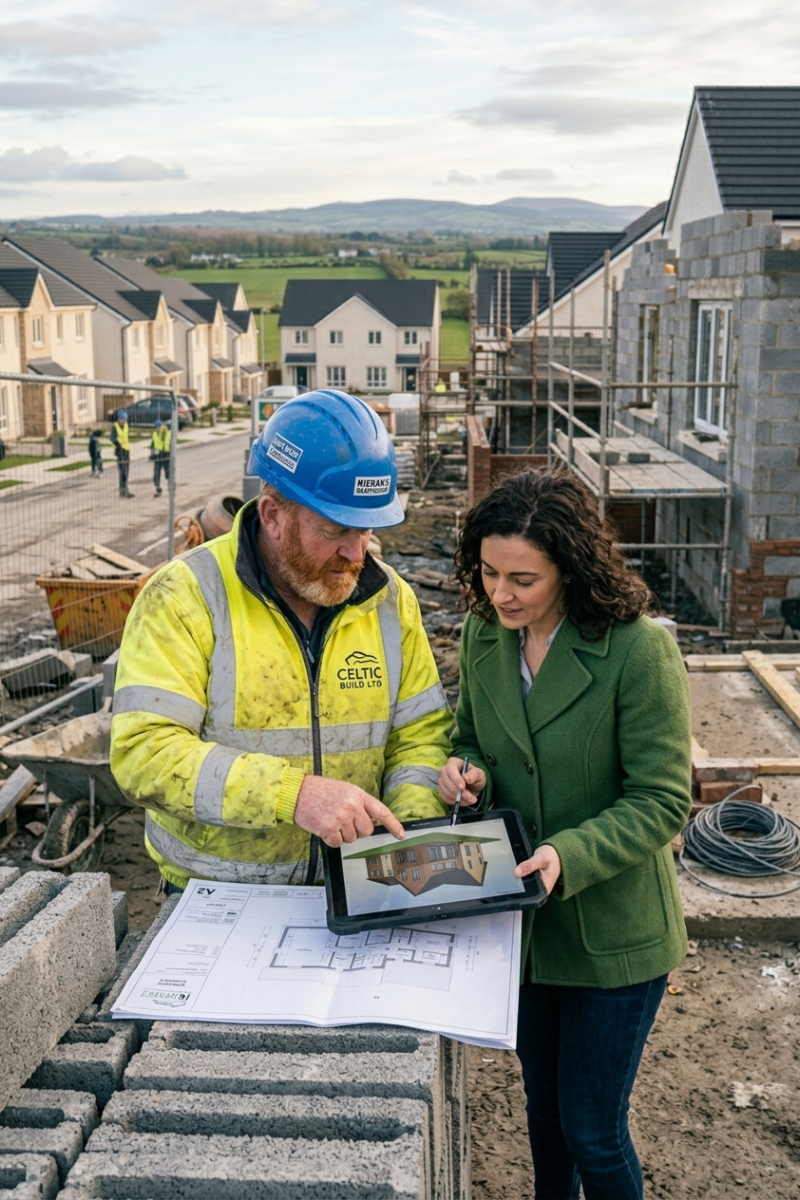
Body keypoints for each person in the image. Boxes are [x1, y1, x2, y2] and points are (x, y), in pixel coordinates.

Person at [438, 469, 691, 1200]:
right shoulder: (488, 636)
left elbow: (662, 798)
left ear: (571, 568)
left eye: (523, 578)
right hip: (525, 930)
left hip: (615, 935)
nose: (500, 594)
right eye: (488, 573)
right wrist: (467, 774)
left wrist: (565, 855)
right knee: (543, 1113)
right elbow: (473, 739)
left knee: (593, 1128)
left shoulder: (637, 652)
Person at [110, 389, 451, 892]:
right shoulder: (184, 596)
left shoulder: (389, 601)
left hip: (356, 892)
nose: (356, 553)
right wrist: (293, 796)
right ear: (271, 515)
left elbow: (419, 738)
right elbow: (145, 754)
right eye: (335, 529)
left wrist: (409, 834)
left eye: (366, 529)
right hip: (213, 899)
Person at [110, 410, 133, 498]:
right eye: (123, 420)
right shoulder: (115, 426)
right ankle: (122, 491)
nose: (124, 422)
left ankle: (126, 489)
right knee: (122, 471)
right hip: (120, 451)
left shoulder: (126, 425)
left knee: (126, 471)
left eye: (125, 420)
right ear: (119, 419)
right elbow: (112, 438)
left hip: (126, 449)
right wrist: (117, 441)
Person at [151, 419, 170, 496]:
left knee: (168, 470)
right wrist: (152, 453)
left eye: (159, 426)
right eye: (157, 427)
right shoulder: (154, 434)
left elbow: (168, 442)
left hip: (166, 454)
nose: (158, 428)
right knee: (157, 471)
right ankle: (157, 486)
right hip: (158, 455)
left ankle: (170, 484)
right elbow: (153, 444)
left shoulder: (166, 432)